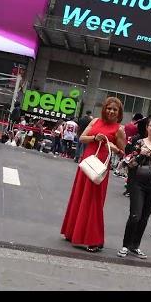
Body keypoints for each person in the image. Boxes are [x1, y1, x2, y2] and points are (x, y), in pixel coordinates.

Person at [61, 97, 126, 252]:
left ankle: (94, 239)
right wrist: (94, 138)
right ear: (104, 109)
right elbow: (82, 138)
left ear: (119, 113)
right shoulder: (95, 121)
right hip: (86, 163)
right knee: (79, 196)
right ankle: (72, 233)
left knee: (94, 202)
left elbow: (123, 153)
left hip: (100, 167)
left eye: (115, 110)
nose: (111, 111)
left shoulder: (119, 129)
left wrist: (114, 147)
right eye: (109, 108)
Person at [118, 117, 151, 259]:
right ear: (147, 128)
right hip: (137, 183)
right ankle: (125, 245)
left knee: (144, 218)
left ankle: (135, 246)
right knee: (135, 215)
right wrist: (141, 155)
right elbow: (129, 164)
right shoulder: (139, 143)